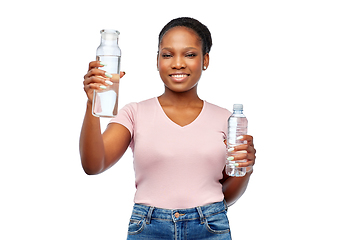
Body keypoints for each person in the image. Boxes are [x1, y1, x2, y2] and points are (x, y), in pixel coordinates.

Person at [80, 17, 256, 240]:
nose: (178, 63)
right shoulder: (134, 113)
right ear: (157, 61)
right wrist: (91, 103)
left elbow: (225, 196)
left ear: (205, 60)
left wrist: (246, 168)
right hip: (149, 228)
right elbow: (94, 164)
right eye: (167, 54)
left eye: (190, 54)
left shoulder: (227, 120)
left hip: (210, 227)